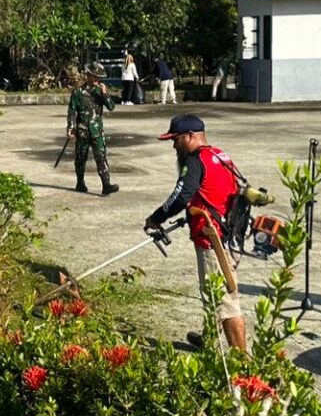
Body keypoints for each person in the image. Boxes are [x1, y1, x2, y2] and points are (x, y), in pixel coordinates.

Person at [144, 114, 248, 352]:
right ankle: (209, 340)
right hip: (231, 234)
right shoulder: (219, 155)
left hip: (212, 238)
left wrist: (156, 218)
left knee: (225, 299)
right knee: (214, 292)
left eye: (176, 139)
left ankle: (242, 360)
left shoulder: (194, 160)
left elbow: (180, 196)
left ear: (191, 136)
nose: (173, 145)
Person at [67, 62, 119, 195]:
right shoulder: (78, 92)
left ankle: (106, 185)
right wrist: (70, 128)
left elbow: (111, 107)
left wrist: (105, 94)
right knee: (80, 158)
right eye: (95, 76)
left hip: (97, 131)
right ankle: (80, 182)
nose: (97, 79)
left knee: (101, 157)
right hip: (83, 130)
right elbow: (72, 111)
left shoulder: (99, 91)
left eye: (99, 77)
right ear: (88, 76)